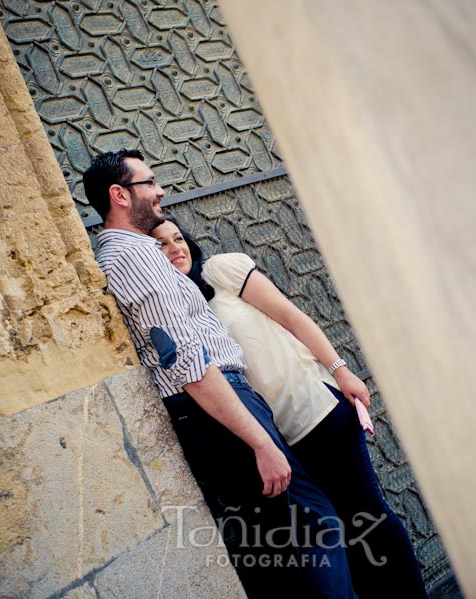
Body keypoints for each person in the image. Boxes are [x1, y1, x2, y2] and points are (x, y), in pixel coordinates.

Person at [82, 148, 354, 599]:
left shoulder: (135, 252)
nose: (160, 190)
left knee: (287, 543)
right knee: (312, 526)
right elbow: (185, 358)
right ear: (120, 195)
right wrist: (261, 442)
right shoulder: (134, 255)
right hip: (215, 405)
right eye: (149, 182)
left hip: (218, 406)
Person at [152, 218, 429, 599]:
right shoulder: (177, 310)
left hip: (318, 411)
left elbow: (292, 316)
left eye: (178, 238)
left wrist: (341, 371)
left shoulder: (221, 271)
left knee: (367, 514)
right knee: (338, 534)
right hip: (279, 442)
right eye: (161, 245)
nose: (175, 248)